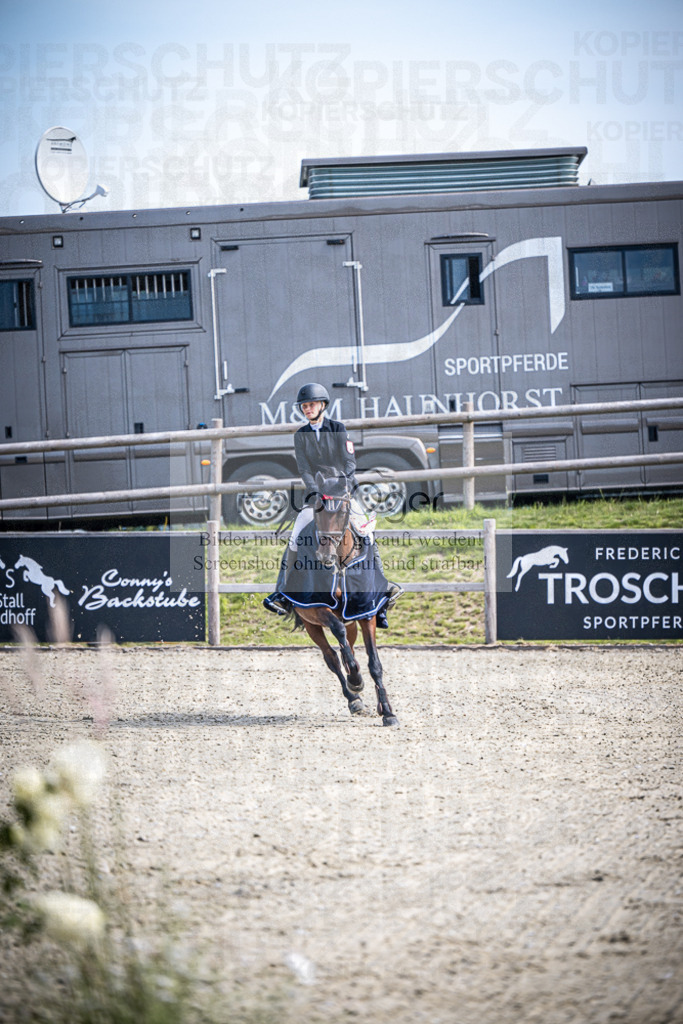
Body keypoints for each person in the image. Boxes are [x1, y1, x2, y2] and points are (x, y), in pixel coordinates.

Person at [264, 382, 403, 627]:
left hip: (342, 492)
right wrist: (316, 490)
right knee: (296, 534)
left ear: (322, 406)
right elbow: (304, 469)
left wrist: (340, 486)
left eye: (312, 405)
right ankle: (282, 592)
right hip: (317, 495)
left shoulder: (338, 429)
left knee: (366, 530)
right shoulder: (300, 435)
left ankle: (383, 587)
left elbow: (350, 463)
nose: (308, 409)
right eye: (304, 406)